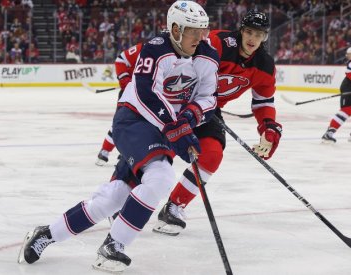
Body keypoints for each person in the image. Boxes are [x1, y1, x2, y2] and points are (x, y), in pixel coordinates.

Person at [17, 1, 219, 272]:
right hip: (134, 119)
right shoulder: (155, 48)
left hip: (163, 127)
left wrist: (191, 115)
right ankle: (114, 245)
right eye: (194, 31)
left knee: (114, 197)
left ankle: (46, 234)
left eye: (203, 31)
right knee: (160, 177)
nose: (200, 37)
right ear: (175, 28)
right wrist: (177, 127)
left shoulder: (207, 56)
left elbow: (208, 97)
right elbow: (147, 93)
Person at [152, 10, 283, 236]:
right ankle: (123, 196)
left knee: (212, 153)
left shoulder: (264, 65)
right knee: (156, 154)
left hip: (206, 108)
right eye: (249, 32)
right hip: (174, 100)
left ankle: (174, 205)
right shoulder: (217, 43)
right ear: (241, 31)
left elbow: (263, 103)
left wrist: (269, 127)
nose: (252, 39)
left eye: (259, 35)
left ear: (265, 38)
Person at [96, 42, 143, 166]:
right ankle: (105, 150)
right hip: (129, 94)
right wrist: (124, 80)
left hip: (147, 95)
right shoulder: (143, 48)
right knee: (121, 122)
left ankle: (125, 153)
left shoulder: (172, 55)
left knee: (141, 127)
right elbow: (121, 60)